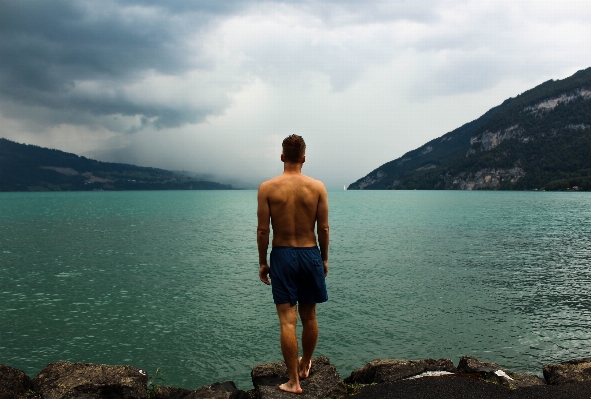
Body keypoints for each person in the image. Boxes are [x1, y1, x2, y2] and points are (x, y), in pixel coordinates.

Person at [257, 134, 329, 394]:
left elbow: (263, 231)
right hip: (310, 253)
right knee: (309, 317)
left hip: (283, 255)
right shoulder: (317, 187)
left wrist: (263, 262)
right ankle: (306, 364)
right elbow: (324, 227)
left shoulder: (267, 188)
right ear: (304, 159)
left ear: (282, 157)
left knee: (288, 322)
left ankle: (293, 382)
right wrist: (324, 259)